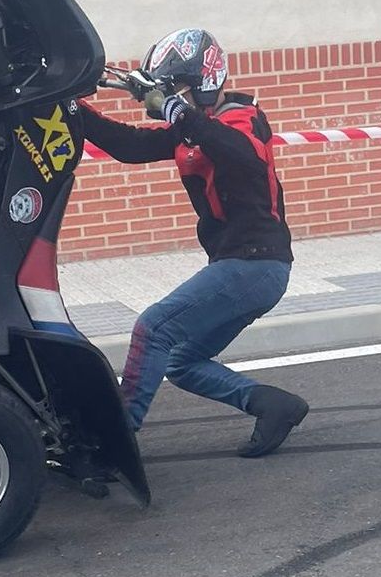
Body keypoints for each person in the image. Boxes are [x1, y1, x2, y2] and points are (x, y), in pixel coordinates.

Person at [77, 28, 309, 457]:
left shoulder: (243, 117)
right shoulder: (193, 127)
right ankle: (274, 405)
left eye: (179, 89)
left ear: (204, 81)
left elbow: (237, 152)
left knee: (153, 328)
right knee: (181, 362)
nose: (171, 101)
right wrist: (73, 107)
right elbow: (129, 145)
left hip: (257, 263)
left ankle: (117, 440)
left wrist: (172, 107)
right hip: (237, 264)